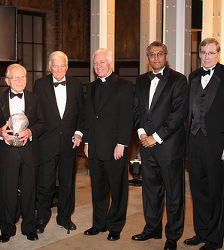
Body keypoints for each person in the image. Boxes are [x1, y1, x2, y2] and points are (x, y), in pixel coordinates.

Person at [184, 37, 224, 250]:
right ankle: (201, 232)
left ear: (218, 54)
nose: (206, 57)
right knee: (198, 191)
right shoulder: (192, 76)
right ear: (199, 54)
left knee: (216, 193)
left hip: (218, 145)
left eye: (211, 53)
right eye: (203, 53)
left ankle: (214, 239)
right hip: (194, 143)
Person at [132, 41, 188, 250]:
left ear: (166, 56)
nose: (155, 58)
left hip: (169, 146)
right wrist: (141, 133)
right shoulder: (140, 81)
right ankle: (152, 229)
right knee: (150, 191)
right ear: (147, 58)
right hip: (146, 145)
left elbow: (178, 114)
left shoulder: (178, 80)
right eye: (152, 55)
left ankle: (172, 236)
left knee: (173, 193)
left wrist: (156, 136)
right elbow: (136, 110)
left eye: (159, 54)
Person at [0, 64, 45, 242]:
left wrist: (30, 132)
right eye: (15, 77)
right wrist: (0, 132)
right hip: (7, 153)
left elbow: (42, 123)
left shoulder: (35, 98)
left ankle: (29, 227)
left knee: (29, 191)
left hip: (29, 152)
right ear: (7, 81)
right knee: (7, 192)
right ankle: (7, 228)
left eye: (23, 77)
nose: (20, 81)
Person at [83, 48, 134, 241]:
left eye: (102, 62)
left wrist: (122, 143)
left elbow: (127, 118)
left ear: (111, 64)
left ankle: (115, 226)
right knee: (98, 188)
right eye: (96, 63)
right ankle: (99, 224)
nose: (98, 66)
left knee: (118, 189)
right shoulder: (91, 87)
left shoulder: (124, 86)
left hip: (115, 148)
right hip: (95, 147)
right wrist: (86, 141)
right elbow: (88, 116)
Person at [33, 51, 84, 233]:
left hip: (69, 143)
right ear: (49, 67)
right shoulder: (39, 85)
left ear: (67, 67)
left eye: (62, 65)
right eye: (55, 66)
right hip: (46, 143)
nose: (59, 69)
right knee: (45, 183)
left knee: (67, 183)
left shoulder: (76, 85)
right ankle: (42, 218)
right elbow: (35, 114)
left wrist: (79, 133)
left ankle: (64, 217)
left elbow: (81, 113)